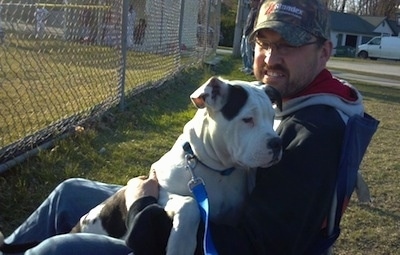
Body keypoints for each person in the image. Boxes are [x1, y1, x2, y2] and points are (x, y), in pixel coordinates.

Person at [1, 0, 377, 254]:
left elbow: (252, 245)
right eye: (264, 43)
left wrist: (143, 204)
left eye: (289, 46)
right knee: (70, 192)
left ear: (324, 52)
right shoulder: (292, 99)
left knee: (59, 249)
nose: (271, 57)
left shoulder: (313, 134)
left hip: (197, 238)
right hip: (194, 204)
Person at [240, 0, 259, 75]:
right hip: (246, 32)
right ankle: (245, 66)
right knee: (243, 50)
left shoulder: (257, 11)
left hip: (250, 33)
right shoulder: (252, 10)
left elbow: (254, 24)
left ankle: (250, 68)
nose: (251, 3)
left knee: (249, 51)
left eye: (253, 2)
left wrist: (253, 33)